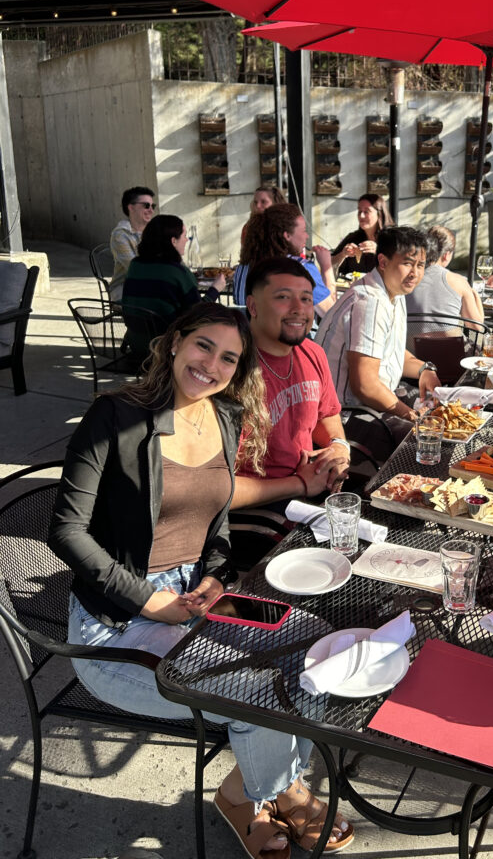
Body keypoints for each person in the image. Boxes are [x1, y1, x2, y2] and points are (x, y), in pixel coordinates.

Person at [50, 302, 354, 856]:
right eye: (203, 346)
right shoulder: (114, 415)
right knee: (258, 690)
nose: (211, 365)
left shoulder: (224, 416)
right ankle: (269, 796)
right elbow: (66, 531)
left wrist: (216, 575)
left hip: (196, 601)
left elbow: (214, 522)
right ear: (175, 342)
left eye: (229, 358)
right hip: (114, 629)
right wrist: (148, 601)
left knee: (316, 644)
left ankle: (249, 788)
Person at [231, 257, 350, 520]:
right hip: (258, 511)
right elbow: (215, 487)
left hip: (311, 491)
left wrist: (338, 445)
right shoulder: (230, 368)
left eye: (306, 299)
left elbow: (326, 413)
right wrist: (300, 484)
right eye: (283, 297)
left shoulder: (312, 353)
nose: (299, 309)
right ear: (253, 305)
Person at [315, 226, 440, 457]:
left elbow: (391, 352)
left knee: (437, 411)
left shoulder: (393, 292)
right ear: (383, 262)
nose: (415, 273)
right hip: (344, 416)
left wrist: (425, 369)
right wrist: (410, 415)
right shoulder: (369, 301)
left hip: (368, 402)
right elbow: (365, 385)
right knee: (427, 439)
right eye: (407, 263)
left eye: (420, 265)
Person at [122, 215, 227, 358]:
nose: (187, 240)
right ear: (173, 241)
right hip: (166, 349)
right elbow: (197, 317)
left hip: (136, 346)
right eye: (184, 235)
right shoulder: (178, 272)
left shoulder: (134, 265)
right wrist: (215, 290)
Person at [233, 204, 335, 317]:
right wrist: (326, 266)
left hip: (246, 328)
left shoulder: (242, 268)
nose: (307, 236)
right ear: (287, 236)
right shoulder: (301, 268)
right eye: (304, 230)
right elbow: (333, 314)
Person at [405, 226, 484, 349]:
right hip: (452, 355)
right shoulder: (458, 281)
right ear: (447, 255)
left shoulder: (408, 279)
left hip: (411, 353)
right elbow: (477, 326)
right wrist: (475, 294)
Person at [109, 186, 156, 300]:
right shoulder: (120, 235)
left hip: (155, 284)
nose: (151, 210)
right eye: (146, 206)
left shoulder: (155, 230)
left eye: (153, 206)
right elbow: (135, 269)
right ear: (131, 207)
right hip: (125, 289)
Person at [331, 193, 394, 277]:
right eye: (359, 211)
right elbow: (329, 264)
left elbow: (400, 266)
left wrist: (378, 251)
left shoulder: (392, 238)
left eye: (366, 211)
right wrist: (343, 254)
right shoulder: (353, 238)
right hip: (353, 284)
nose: (361, 215)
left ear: (379, 213)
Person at [240, 185, 287, 251]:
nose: (258, 206)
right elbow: (245, 253)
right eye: (255, 202)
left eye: (263, 202)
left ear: (275, 203)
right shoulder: (248, 228)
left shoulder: (287, 227)